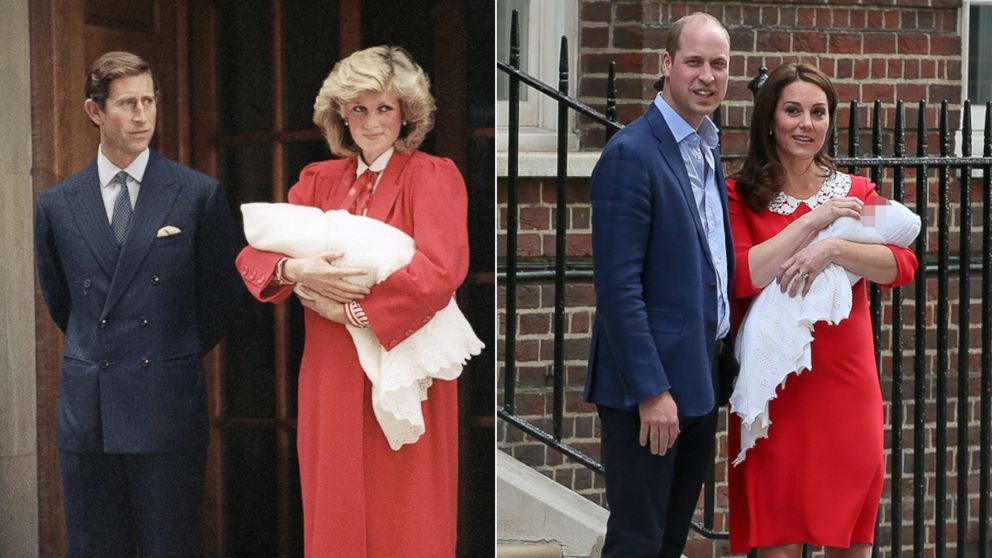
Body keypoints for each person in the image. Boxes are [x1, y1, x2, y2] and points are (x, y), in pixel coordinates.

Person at [235, 45, 469, 557]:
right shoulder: (318, 180)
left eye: (384, 107)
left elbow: (441, 270)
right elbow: (253, 256)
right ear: (340, 113)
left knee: (405, 507)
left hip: (404, 361)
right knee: (334, 500)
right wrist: (294, 269)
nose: (371, 122)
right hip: (331, 367)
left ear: (406, 111)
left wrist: (352, 310)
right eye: (358, 108)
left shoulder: (431, 174)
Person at [34, 51, 243, 558]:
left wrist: (170, 351)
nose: (142, 115)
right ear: (94, 111)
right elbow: (62, 301)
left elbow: (221, 297)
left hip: (166, 406)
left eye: (149, 101)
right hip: (90, 417)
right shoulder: (57, 204)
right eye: (127, 103)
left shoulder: (197, 194)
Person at [726, 63, 918, 557]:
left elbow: (903, 262)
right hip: (778, 388)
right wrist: (816, 222)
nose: (805, 124)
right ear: (770, 119)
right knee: (779, 542)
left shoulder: (855, 194)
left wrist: (832, 250)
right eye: (793, 111)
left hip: (845, 385)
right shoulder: (739, 194)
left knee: (851, 542)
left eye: (818, 112)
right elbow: (746, 274)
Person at [583, 13, 736, 557]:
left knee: (668, 542)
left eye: (718, 64)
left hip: (698, 377)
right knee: (637, 541)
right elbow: (619, 289)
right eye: (694, 62)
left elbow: (708, 262)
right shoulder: (631, 153)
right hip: (649, 392)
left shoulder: (705, 146)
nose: (706, 75)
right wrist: (651, 391)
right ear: (666, 65)